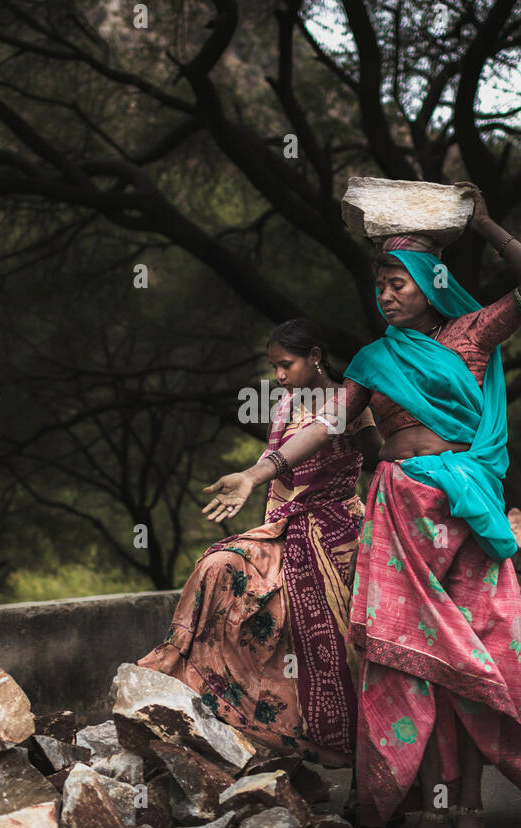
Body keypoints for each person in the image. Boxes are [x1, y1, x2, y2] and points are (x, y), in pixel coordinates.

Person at [201, 182, 521, 828]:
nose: (386, 294)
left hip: (463, 514)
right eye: (379, 285)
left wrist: (485, 225)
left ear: (431, 282)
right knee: (409, 660)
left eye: (397, 283)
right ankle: (428, 806)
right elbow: (326, 427)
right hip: (398, 511)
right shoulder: (374, 359)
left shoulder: (472, 335)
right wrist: (260, 469)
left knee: (471, 664)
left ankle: (470, 810)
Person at [139, 319, 382, 767]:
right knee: (218, 567)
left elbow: (378, 459)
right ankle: (197, 686)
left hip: (338, 536)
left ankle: (362, 764)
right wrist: (255, 494)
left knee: (346, 649)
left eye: (286, 365)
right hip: (285, 527)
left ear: (315, 356)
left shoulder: (352, 402)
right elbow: (276, 476)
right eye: (274, 367)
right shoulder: (287, 404)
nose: (280, 376)